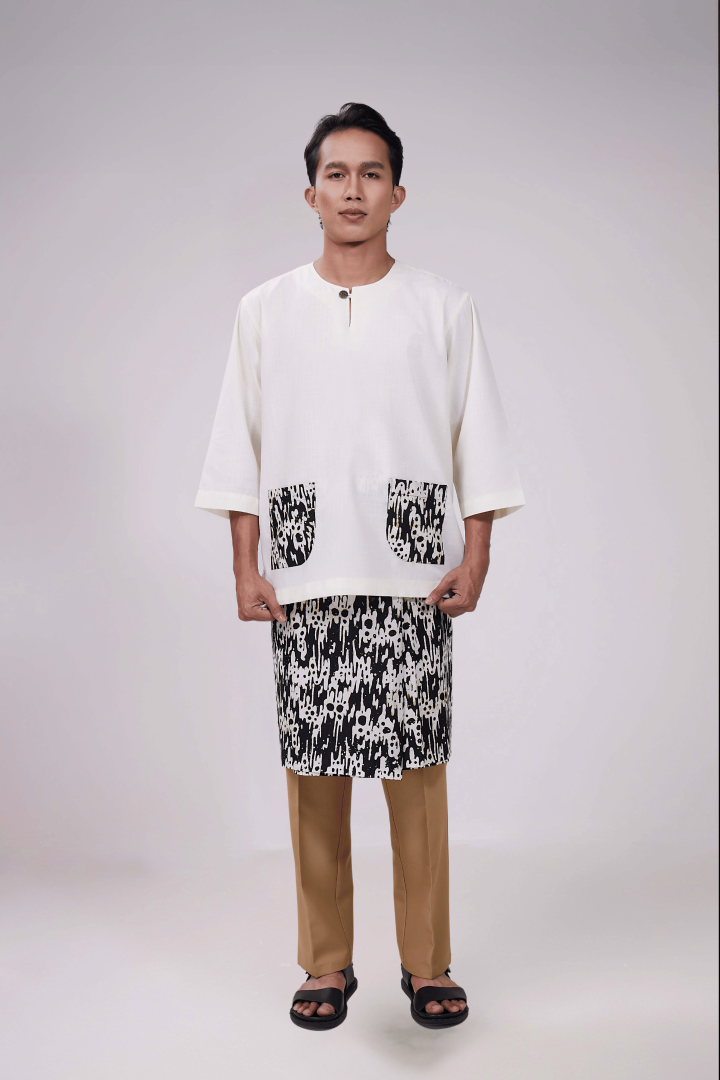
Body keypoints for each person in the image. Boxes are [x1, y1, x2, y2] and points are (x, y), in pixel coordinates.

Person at [195, 103, 525, 1030]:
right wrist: (244, 566)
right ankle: (325, 963)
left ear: (397, 193)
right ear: (311, 194)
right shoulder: (265, 310)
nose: (353, 190)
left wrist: (478, 553)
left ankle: (428, 963)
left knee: (416, 769)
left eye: (370, 174)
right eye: (336, 175)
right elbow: (238, 444)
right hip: (304, 572)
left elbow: (478, 436)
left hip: (411, 574)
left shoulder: (442, 305)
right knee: (315, 771)